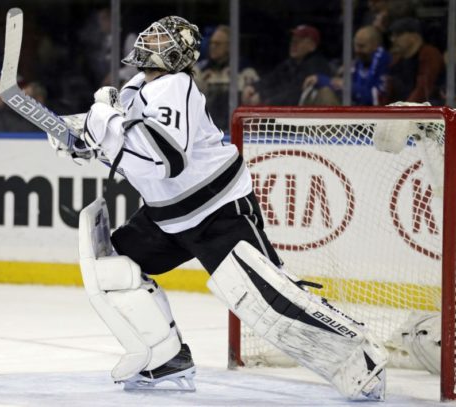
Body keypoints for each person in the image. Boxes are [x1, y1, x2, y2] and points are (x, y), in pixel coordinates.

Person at [47, 16, 387, 399]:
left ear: (180, 53)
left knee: (268, 303)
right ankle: (165, 360)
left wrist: (103, 121)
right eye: (153, 33)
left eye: (165, 38)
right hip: (166, 217)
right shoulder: (135, 88)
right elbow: (131, 146)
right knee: (113, 268)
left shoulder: (176, 85)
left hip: (217, 212)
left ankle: (361, 357)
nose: (153, 39)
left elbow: (165, 159)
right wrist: (87, 137)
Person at [242, 24, 332, 106]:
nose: (293, 44)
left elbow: (295, 93)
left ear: (312, 46)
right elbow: (271, 79)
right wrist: (253, 87)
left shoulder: (316, 65)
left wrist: (263, 97)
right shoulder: (289, 64)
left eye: (299, 41)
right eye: (293, 40)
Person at [303, 25, 391, 106]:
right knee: (321, 92)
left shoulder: (383, 63)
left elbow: (374, 99)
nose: (357, 50)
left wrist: (342, 84)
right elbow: (344, 85)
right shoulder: (359, 63)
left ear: (376, 46)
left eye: (362, 46)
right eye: (355, 45)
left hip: (373, 118)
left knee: (326, 94)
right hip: (355, 110)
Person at [194, 25, 259, 130]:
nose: (213, 46)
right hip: (204, 128)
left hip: (235, 128)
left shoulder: (245, 71)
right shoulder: (199, 70)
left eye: (218, 44)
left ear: (229, 46)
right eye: (211, 43)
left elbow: (252, 102)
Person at [386, 17, 444, 104]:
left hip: (428, 110)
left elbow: (423, 89)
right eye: (392, 36)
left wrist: (405, 108)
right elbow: (389, 91)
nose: (393, 39)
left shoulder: (429, 54)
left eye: (398, 35)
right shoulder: (397, 59)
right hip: (402, 109)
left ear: (414, 37)